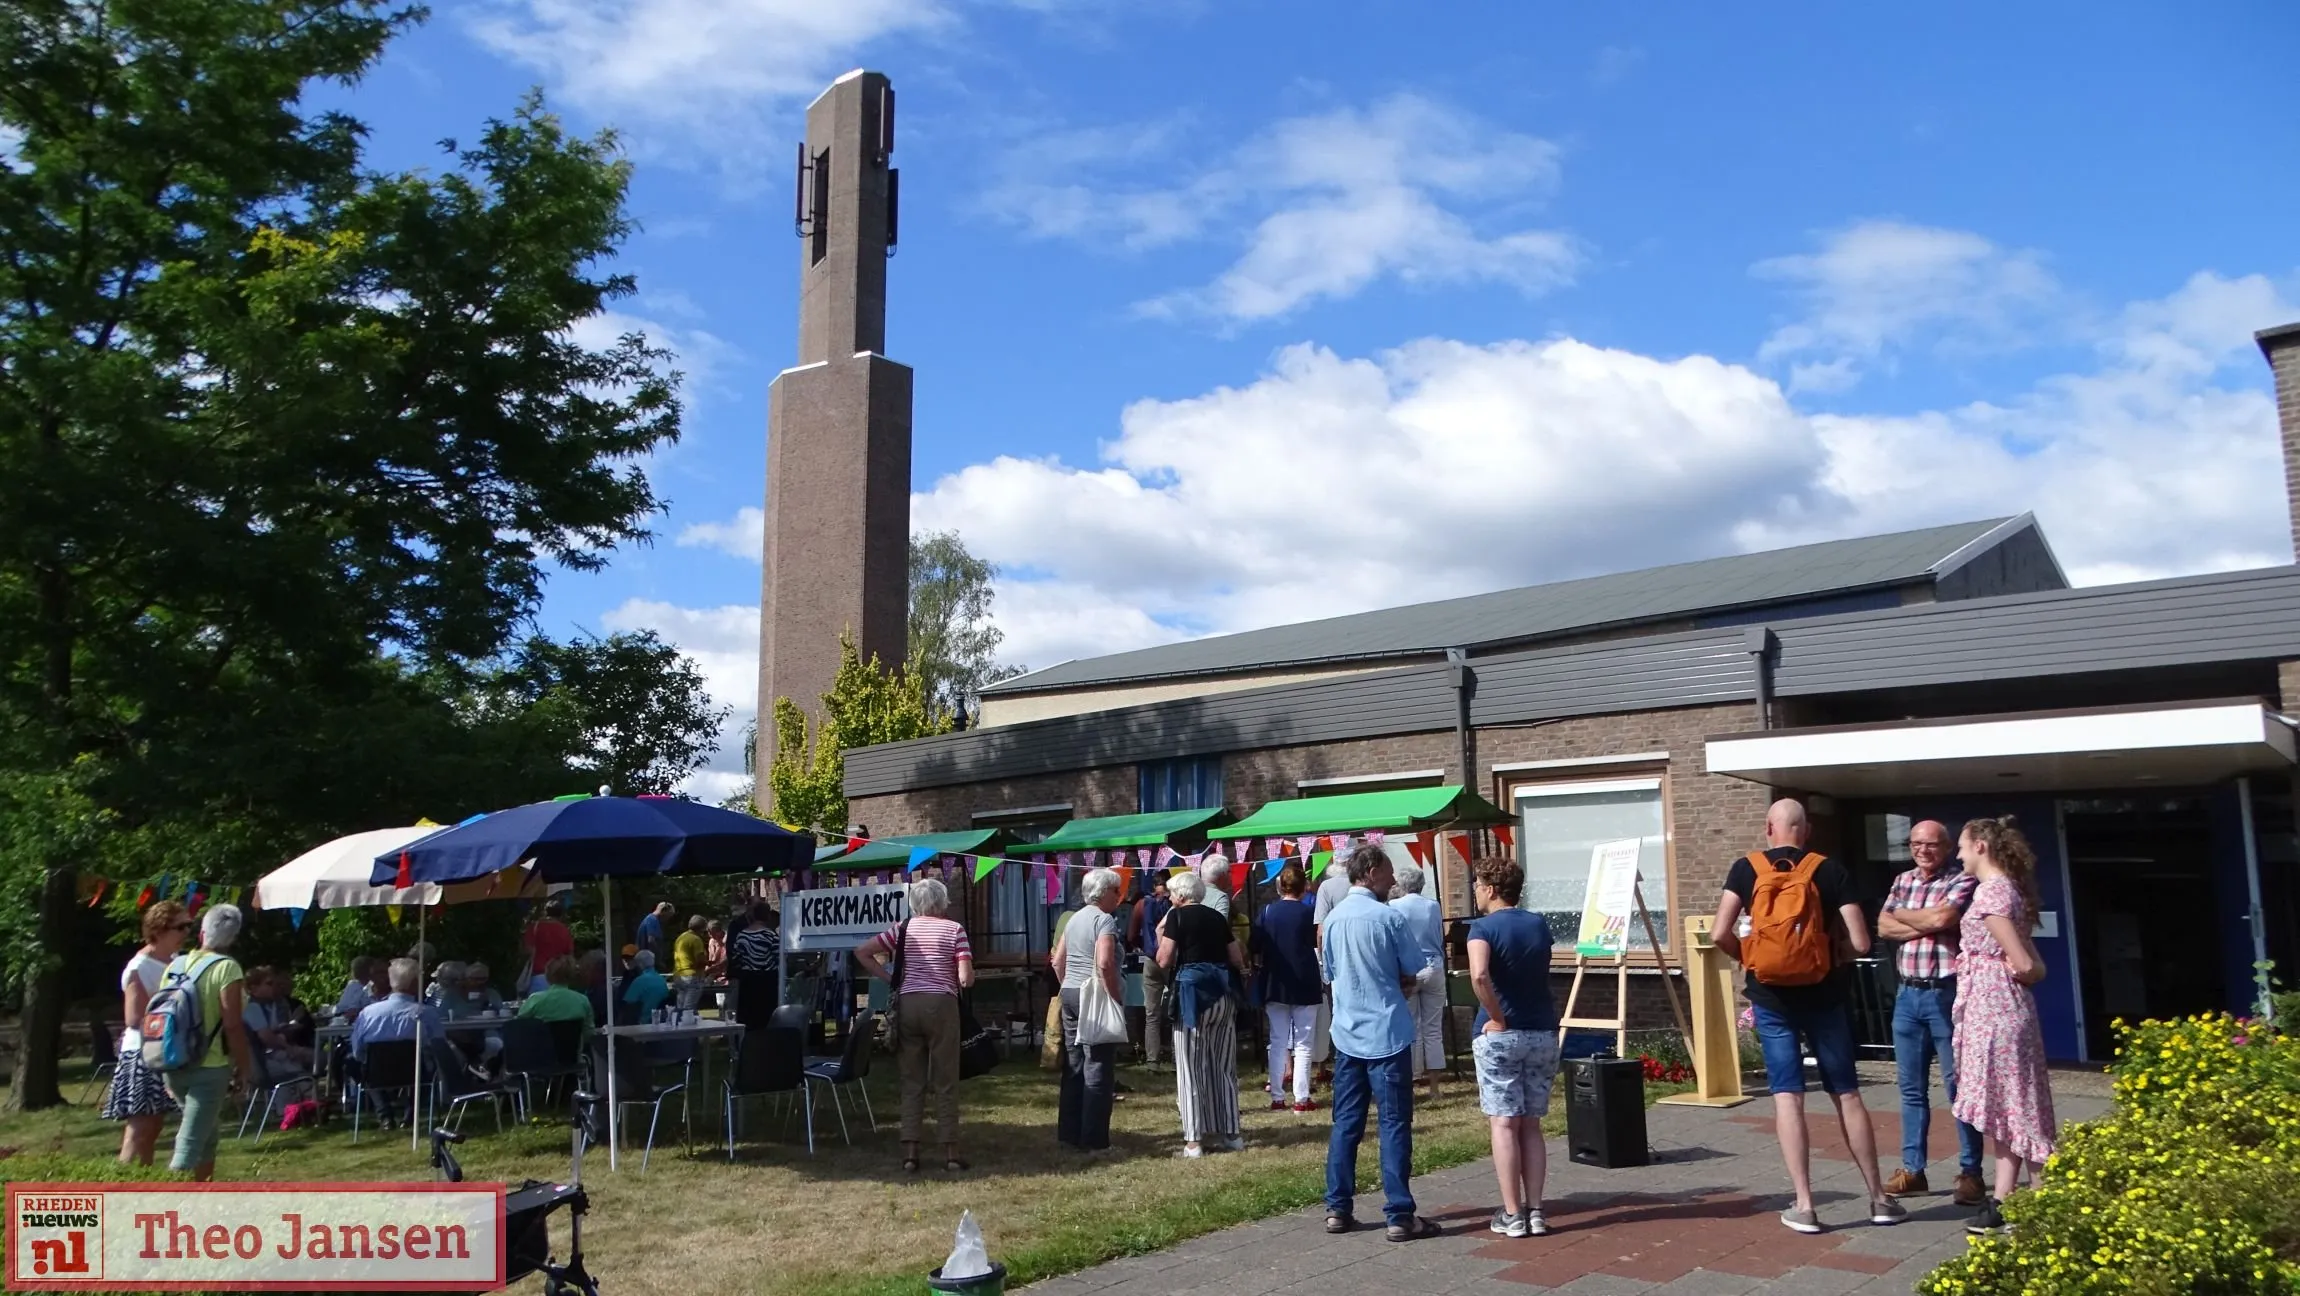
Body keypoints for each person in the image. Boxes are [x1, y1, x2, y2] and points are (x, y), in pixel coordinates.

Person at [1713, 798, 1906, 1234]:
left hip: (1770, 998)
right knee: (1847, 1094)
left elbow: (1718, 933)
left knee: (1787, 1095)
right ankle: (1878, 1198)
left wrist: (1752, 958)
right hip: (1825, 997)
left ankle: (1804, 1206)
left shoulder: (1746, 869)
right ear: (1808, 830)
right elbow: (1860, 942)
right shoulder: (1830, 870)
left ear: (1769, 828)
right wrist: (1826, 954)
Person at [1320, 844, 1437, 1241]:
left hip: (1348, 1031)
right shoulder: (1388, 917)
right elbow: (1415, 970)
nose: (1392, 880)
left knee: (1346, 1124)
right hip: (1387, 1031)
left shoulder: (1332, 920)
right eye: (1387, 872)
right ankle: (1399, 1214)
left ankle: (1338, 1207)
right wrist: (1398, 982)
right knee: (1393, 1124)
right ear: (1369, 872)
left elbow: (1332, 973)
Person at [1951, 816, 2059, 1235]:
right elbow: (2036, 966)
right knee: (2007, 1104)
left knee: (2016, 1103)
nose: (1958, 854)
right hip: (2000, 1007)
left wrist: (2011, 970)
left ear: (1980, 845)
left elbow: (2027, 963)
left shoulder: (1992, 894)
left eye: (1961, 846)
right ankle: (2004, 1200)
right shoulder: (2007, 890)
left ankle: (2043, 1200)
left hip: (1995, 1010)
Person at [1877, 819, 1986, 1205]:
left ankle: (1971, 1174)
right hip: (1908, 995)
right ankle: (1913, 1170)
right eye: (1916, 843)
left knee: (1959, 1086)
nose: (1923, 850)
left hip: (1946, 993)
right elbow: (1882, 926)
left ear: (1946, 846)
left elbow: (1943, 920)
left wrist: (1908, 917)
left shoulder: (1961, 880)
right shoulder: (1902, 880)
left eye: (1932, 844)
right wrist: (1921, 921)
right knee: (1910, 1088)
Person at [1466, 856, 1561, 1238]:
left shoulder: (1482, 927)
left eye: (1476, 885)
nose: (1474, 892)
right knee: (1532, 1125)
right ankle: (1536, 1209)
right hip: (1541, 1030)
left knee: (1504, 1123)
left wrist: (1496, 1016)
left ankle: (1512, 1214)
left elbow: (1479, 974)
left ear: (1490, 888)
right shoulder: (1538, 924)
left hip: (1500, 1037)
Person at [855, 877, 975, 1173]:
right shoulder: (954, 930)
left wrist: (891, 979)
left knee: (912, 1081)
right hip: (942, 1005)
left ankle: (910, 1152)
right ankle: (950, 1152)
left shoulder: (903, 928)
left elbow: (863, 952)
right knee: (945, 1080)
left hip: (908, 1004)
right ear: (942, 901)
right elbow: (964, 978)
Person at [159, 904, 256, 1181]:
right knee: (189, 1145)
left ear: (201, 933)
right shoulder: (227, 968)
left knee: (207, 1136)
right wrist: (244, 1067)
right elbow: (233, 1024)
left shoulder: (175, 966)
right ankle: (164, 1210)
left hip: (173, 1061)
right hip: (210, 1066)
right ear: (233, 938)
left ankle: (202, 1199)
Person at [1158, 870, 1247, 1158]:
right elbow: (1236, 956)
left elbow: (1164, 958)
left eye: (1172, 894)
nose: (1170, 898)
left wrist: (1162, 935)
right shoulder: (1216, 917)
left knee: (1189, 1070)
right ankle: (1232, 1134)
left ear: (1181, 896)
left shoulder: (1177, 916)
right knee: (1223, 1066)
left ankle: (1194, 1140)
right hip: (1222, 993)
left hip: (1192, 997)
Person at [103, 901, 190, 1165]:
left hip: (167, 1051)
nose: (187, 932)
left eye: (189, 925)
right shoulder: (139, 967)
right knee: (139, 1129)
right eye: (181, 926)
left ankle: (144, 1183)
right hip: (143, 1053)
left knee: (154, 1127)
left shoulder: (177, 963)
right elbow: (133, 1018)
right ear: (159, 930)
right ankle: (123, 1187)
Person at [1055, 867, 1126, 1152]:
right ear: (1104, 892)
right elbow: (1105, 963)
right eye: (1115, 891)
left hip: (1070, 991)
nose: (1118, 897)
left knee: (1074, 1065)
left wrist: (1066, 985)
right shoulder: (1103, 920)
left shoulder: (1072, 919)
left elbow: (1057, 961)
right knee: (1098, 1064)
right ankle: (1095, 1140)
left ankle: (1069, 1134)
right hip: (1093, 992)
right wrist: (1114, 996)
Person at [1251, 862, 1321, 1112]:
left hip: (1274, 981)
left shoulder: (1267, 912)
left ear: (1280, 887)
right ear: (1304, 888)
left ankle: (1277, 1097)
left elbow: (1254, 945)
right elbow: (1317, 942)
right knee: (1304, 1042)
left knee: (1278, 1039)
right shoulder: (1309, 912)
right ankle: (1301, 1099)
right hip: (1304, 980)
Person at [1390, 861, 1448, 1099]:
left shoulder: (1394, 906)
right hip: (1434, 966)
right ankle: (1434, 1086)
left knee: (1410, 1026)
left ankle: (1413, 1081)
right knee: (1433, 1028)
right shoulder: (1433, 906)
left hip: (1409, 969)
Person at [1311, 865, 1353, 1081]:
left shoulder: (1326, 886)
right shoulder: (1358, 882)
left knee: (1337, 1010)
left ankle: (1342, 1058)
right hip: (1359, 952)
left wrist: (1321, 958)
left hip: (1336, 957)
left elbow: (1320, 929)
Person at [241, 966, 315, 1084]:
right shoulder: (252, 1008)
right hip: (263, 1062)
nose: (274, 987)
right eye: (269, 984)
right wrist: (289, 1048)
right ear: (254, 989)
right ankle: (308, 1096)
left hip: (272, 1055)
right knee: (315, 1060)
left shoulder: (269, 1005)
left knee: (312, 1058)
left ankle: (291, 1099)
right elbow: (267, 1038)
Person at [1130, 875, 1175, 1067]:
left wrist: (1145, 945)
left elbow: (1131, 934)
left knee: (1152, 1014)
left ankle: (1152, 1061)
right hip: (1171, 959)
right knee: (1176, 1012)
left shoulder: (1141, 904)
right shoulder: (1176, 902)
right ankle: (1176, 1058)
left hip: (1150, 959)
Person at [729, 902, 781, 1027]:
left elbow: (736, 958)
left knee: (748, 1016)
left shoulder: (742, 935)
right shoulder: (770, 935)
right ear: (768, 916)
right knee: (766, 1015)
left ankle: (748, 1040)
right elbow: (779, 958)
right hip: (767, 980)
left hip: (747, 981)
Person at [518, 955, 597, 1031]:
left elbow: (518, 1025)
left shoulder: (535, 1000)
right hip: (572, 1044)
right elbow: (589, 1031)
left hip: (541, 1044)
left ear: (547, 975)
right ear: (572, 975)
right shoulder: (583, 1001)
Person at [522, 898, 575, 994]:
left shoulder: (535, 927)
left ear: (545, 912)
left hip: (539, 977)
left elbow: (528, 950)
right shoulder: (565, 931)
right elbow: (569, 955)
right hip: (559, 979)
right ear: (561, 914)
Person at [673, 913, 710, 1012]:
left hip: (679, 975)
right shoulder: (696, 939)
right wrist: (709, 963)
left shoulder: (681, 937)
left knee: (680, 1007)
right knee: (689, 1009)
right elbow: (700, 960)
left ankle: (678, 1025)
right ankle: (687, 1026)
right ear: (702, 928)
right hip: (693, 976)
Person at [622, 949, 672, 1020]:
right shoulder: (662, 980)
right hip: (661, 1019)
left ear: (640, 964)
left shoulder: (639, 981)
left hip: (644, 1022)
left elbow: (628, 1004)